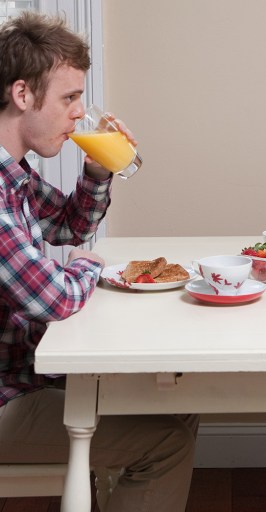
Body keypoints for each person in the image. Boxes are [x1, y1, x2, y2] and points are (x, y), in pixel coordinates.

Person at [0, 11, 198, 512]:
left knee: (178, 400)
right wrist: (87, 265)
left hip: (26, 371)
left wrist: (96, 170)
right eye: (69, 99)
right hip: (6, 396)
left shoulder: (14, 176)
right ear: (22, 95)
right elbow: (56, 298)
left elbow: (68, 226)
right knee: (167, 442)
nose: (78, 114)